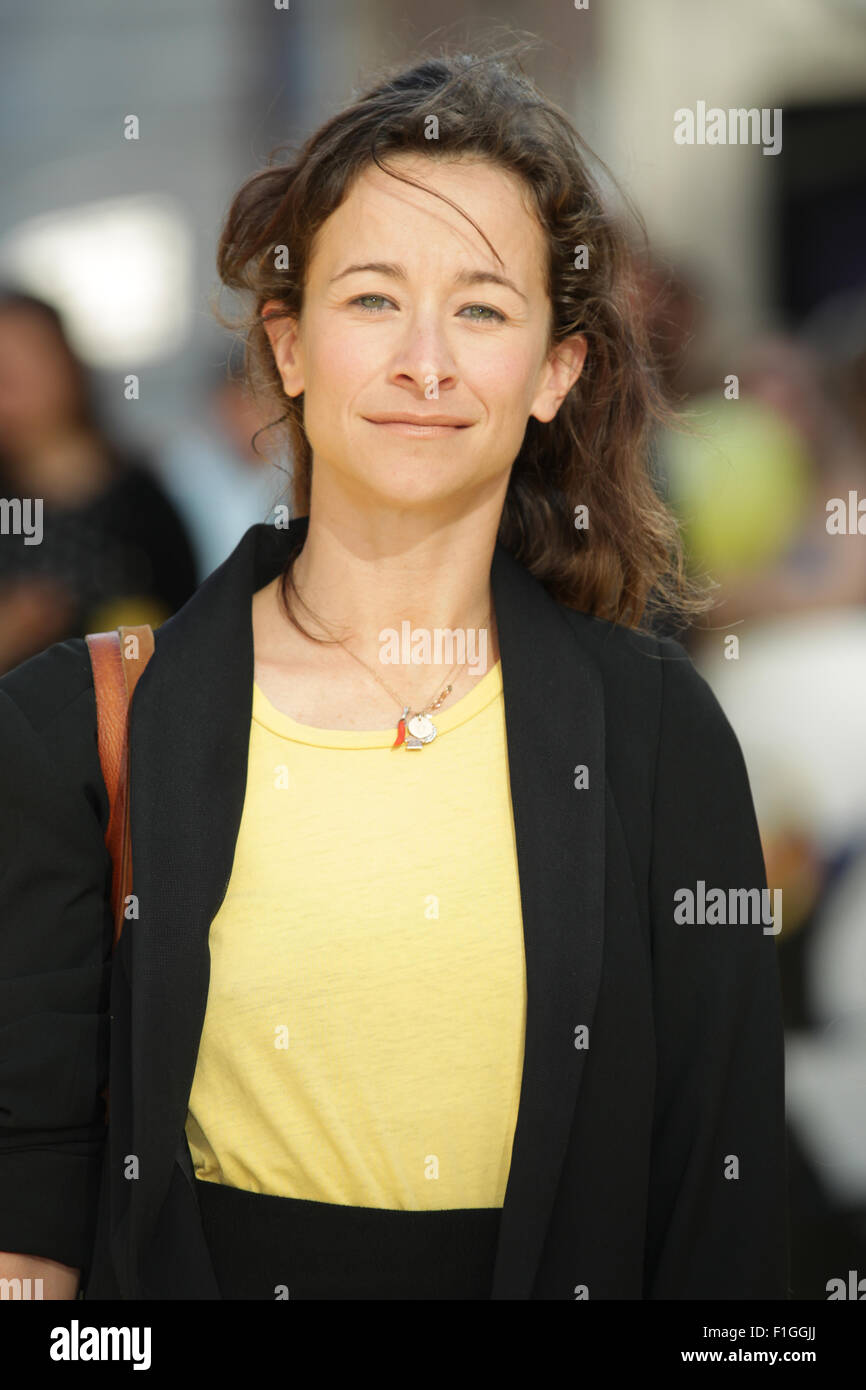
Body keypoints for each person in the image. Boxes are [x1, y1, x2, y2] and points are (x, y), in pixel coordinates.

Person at [0, 47, 789, 1300]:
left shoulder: (655, 734)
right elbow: (28, 1183)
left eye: (480, 308)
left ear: (553, 371)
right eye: (371, 299)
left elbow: (718, 1196)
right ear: (290, 344)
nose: (425, 360)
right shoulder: (83, 725)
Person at [0, 290, 198, 674]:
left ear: (69, 364)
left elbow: (194, 625)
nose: (14, 386)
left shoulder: (142, 501)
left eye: (27, 361)